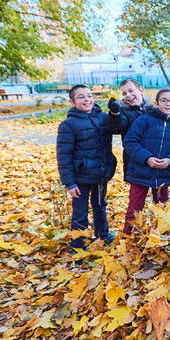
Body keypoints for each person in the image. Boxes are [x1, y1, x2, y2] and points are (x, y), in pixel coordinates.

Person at [56, 84, 117, 250]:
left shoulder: (103, 118)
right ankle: (78, 244)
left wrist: (115, 112)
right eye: (81, 96)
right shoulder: (68, 125)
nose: (87, 99)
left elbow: (118, 126)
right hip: (80, 177)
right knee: (80, 212)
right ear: (72, 101)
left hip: (100, 173)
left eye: (89, 95)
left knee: (100, 205)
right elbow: (63, 156)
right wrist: (69, 183)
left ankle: (103, 235)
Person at [122, 88, 170, 234]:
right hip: (140, 174)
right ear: (156, 103)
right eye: (164, 100)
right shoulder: (144, 120)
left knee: (162, 209)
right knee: (135, 209)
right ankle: (127, 237)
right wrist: (147, 158)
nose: (168, 103)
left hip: (163, 175)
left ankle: (160, 237)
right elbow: (130, 142)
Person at [107, 78, 154, 179]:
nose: (128, 95)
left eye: (131, 90)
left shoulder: (153, 110)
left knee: (159, 191)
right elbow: (117, 127)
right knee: (137, 193)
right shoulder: (123, 112)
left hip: (155, 158)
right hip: (134, 161)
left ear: (141, 90)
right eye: (124, 93)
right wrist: (115, 114)